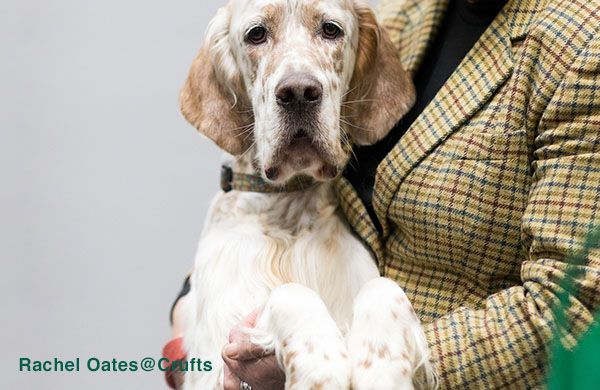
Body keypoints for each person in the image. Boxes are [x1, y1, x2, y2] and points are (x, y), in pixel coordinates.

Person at [165, 0, 600, 388]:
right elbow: (260, 190)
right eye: (257, 35)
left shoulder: (581, 45)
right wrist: (192, 305)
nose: (298, 83)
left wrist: (379, 362)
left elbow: (570, 307)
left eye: (329, 32)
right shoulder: (405, 15)